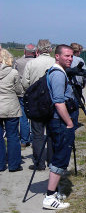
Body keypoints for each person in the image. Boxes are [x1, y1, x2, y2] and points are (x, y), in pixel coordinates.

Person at [42, 44, 78, 209]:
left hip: (57, 121)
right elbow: (58, 101)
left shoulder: (57, 71)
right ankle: (50, 197)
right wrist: (69, 122)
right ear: (57, 56)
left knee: (59, 154)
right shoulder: (58, 74)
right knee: (61, 158)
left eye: (71, 56)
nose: (70, 59)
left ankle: (53, 191)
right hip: (60, 121)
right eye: (66, 56)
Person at [22, 39, 55, 170]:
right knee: (52, 132)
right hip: (52, 100)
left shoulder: (31, 63)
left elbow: (25, 83)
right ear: (50, 50)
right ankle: (52, 161)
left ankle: (39, 162)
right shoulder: (55, 63)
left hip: (36, 101)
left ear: (38, 50)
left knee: (37, 133)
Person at [0, 49, 24, 172]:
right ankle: (14, 164)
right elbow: (19, 91)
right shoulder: (13, 72)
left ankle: (1, 164)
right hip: (10, 106)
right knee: (13, 135)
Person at [14, 43, 36, 147]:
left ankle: (24, 139)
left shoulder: (18, 62)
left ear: (24, 51)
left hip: (22, 92)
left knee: (23, 116)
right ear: (35, 52)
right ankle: (34, 137)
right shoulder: (36, 62)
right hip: (35, 92)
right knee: (34, 116)